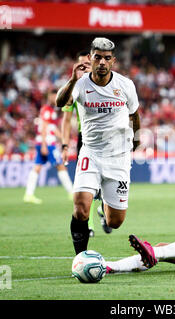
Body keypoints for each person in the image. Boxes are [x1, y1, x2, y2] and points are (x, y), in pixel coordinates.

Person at [56, 37, 141, 255]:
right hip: (91, 153)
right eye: (97, 57)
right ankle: (80, 258)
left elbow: (134, 114)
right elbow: (59, 102)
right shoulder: (80, 84)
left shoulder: (125, 85)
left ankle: (104, 196)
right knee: (81, 208)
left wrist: (136, 139)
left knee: (115, 222)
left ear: (113, 61)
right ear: (90, 59)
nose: (102, 62)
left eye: (106, 58)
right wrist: (72, 79)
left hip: (118, 156)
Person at [61, 50, 107, 238]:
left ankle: (105, 208)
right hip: (85, 138)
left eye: (86, 65)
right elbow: (66, 119)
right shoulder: (75, 88)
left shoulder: (106, 83)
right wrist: (65, 145)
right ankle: (88, 224)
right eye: (80, 65)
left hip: (107, 138)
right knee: (86, 185)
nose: (83, 68)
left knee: (105, 181)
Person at [24, 90, 73, 204]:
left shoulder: (49, 110)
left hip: (42, 142)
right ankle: (71, 192)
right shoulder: (47, 109)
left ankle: (28, 194)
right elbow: (45, 127)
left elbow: (51, 127)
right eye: (54, 95)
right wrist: (44, 145)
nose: (56, 98)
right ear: (49, 96)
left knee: (37, 167)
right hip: (47, 144)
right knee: (60, 166)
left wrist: (62, 138)